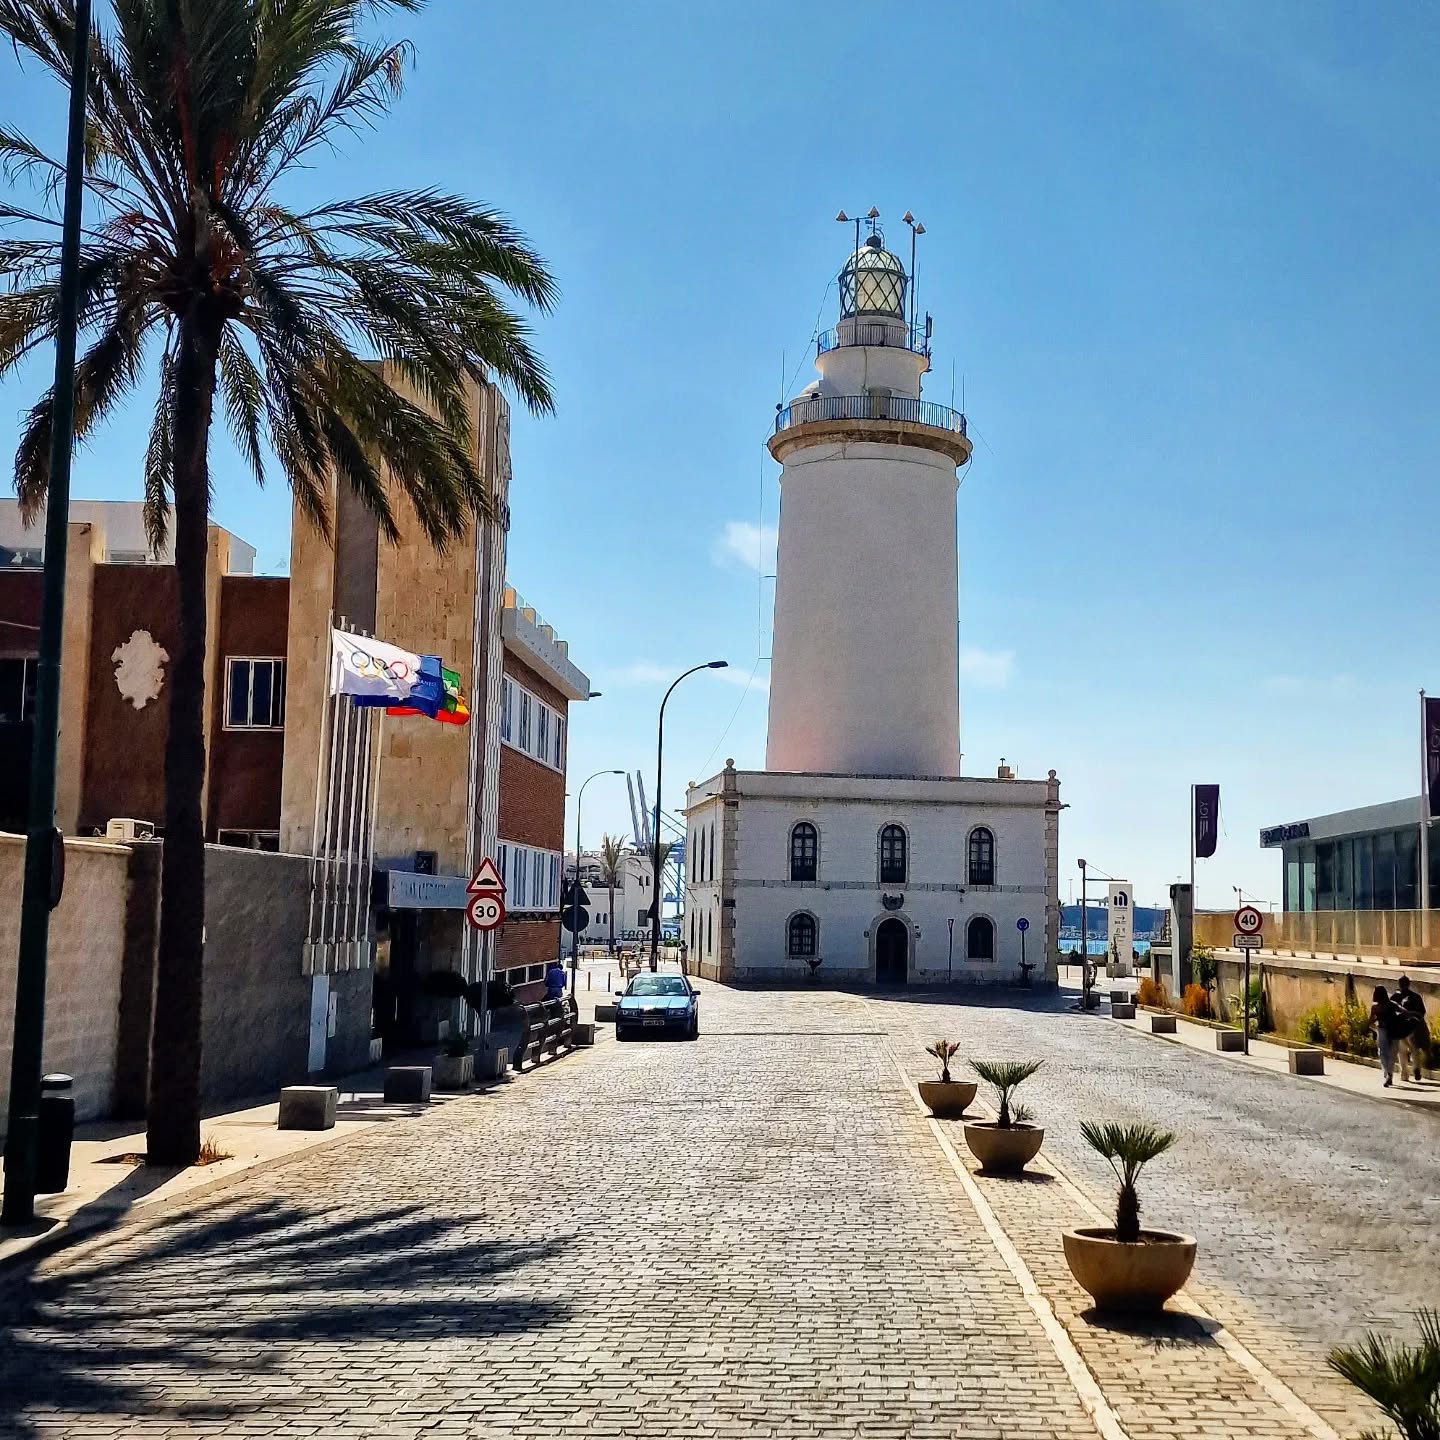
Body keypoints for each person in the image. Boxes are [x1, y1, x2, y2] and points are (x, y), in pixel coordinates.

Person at [1395, 975, 1427, 1083]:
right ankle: (1415, 1068)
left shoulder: (1396, 996)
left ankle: (1405, 1073)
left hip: (1402, 1028)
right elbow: (1422, 1012)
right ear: (1409, 984)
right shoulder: (1415, 997)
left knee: (1402, 1051)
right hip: (1409, 1027)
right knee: (1413, 1050)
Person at [1371, 984, 1399, 1088]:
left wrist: (1369, 1026)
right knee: (1392, 1053)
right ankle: (1389, 1074)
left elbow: (1371, 1020)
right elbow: (1403, 1012)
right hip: (1394, 1030)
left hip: (1382, 1030)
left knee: (1383, 1053)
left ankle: (1387, 1073)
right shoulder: (1392, 1004)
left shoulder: (1375, 1007)